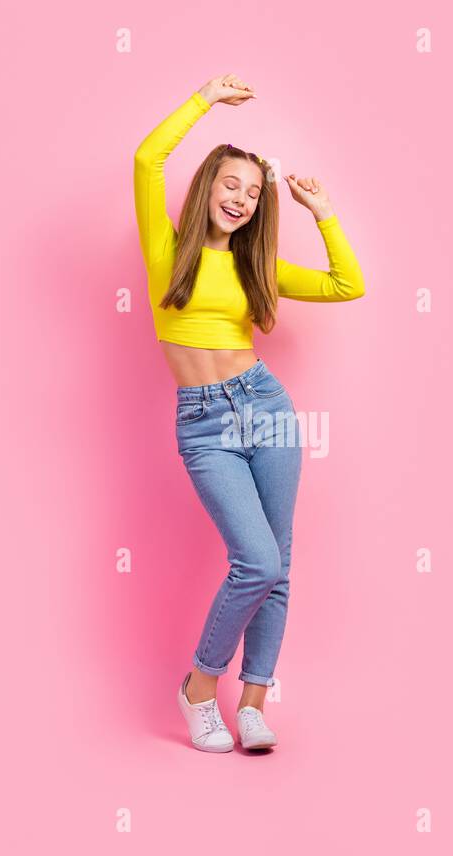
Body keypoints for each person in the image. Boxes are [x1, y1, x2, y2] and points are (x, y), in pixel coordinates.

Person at [132, 73, 365, 752]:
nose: (241, 198)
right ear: (209, 186)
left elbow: (347, 283)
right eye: (231, 185)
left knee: (279, 565)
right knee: (255, 560)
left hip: (265, 411)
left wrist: (322, 210)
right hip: (204, 422)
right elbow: (148, 160)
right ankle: (201, 686)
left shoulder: (255, 267)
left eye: (253, 192)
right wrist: (204, 99)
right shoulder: (164, 250)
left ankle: (255, 701)